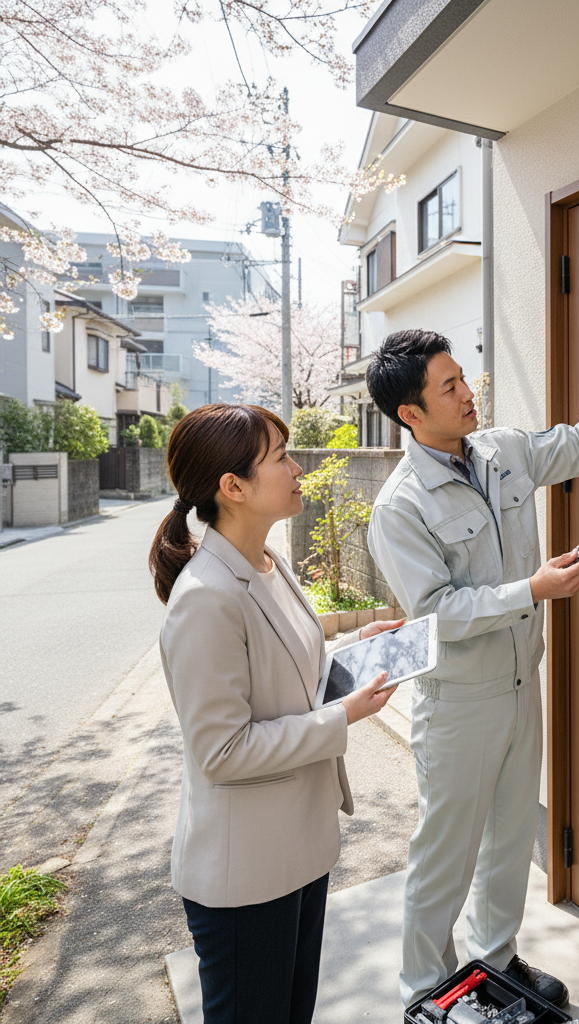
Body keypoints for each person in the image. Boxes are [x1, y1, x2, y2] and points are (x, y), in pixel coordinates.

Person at [365, 326, 579, 1008]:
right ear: (411, 414)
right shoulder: (400, 507)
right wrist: (532, 589)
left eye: (463, 378)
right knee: (444, 861)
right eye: (449, 388)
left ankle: (493, 969)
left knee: (506, 844)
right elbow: (436, 612)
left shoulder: (502, 452)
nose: (469, 394)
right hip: (459, 705)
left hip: (523, 687)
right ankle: (428, 995)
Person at [149, 403, 403, 1024]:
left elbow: (291, 666)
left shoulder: (266, 562)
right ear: (232, 487)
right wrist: (343, 716)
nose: (296, 468)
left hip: (296, 851)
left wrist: (357, 645)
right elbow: (222, 752)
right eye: (280, 457)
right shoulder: (206, 600)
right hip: (245, 878)